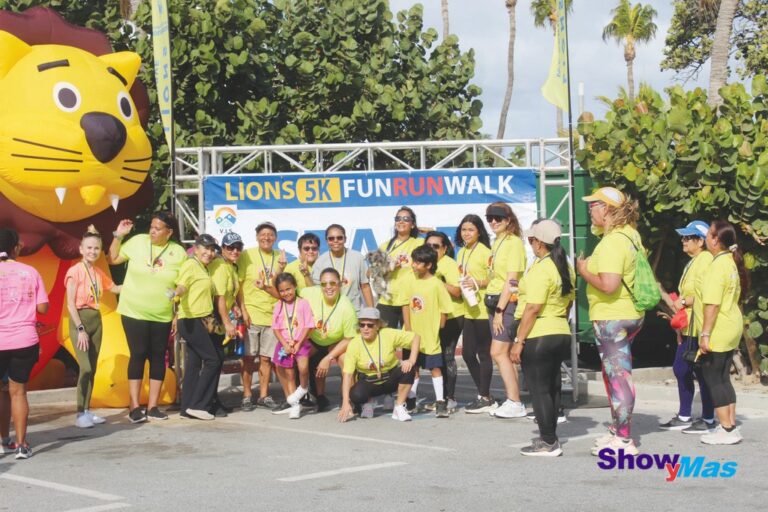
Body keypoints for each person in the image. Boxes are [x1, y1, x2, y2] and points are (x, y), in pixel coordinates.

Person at [576, 187, 646, 455]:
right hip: (628, 313)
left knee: (618, 378)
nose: (589, 210)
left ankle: (625, 440)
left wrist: (584, 271)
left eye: (593, 205)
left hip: (612, 316)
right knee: (615, 375)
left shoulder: (613, 242)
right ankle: (618, 430)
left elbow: (609, 285)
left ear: (606, 209)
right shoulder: (629, 234)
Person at [108, 212, 186, 423]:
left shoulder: (179, 252)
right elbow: (112, 259)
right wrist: (118, 235)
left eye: (158, 228)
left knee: (158, 356)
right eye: (151, 227)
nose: (152, 231)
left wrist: (178, 311)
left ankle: (153, 406)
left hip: (161, 314)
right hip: (134, 310)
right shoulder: (138, 242)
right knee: (138, 354)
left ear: (169, 232)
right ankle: (134, 406)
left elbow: (183, 283)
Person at [510, 220, 575, 457]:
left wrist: (519, 341)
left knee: (539, 390)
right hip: (560, 330)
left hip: (539, 333)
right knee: (553, 386)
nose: (530, 244)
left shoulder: (542, 268)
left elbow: (533, 308)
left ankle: (548, 441)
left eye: (531, 240)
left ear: (539, 243)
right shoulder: (565, 267)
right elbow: (569, 302)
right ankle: (550, 437)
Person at [659, 221, 716, 434]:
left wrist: (682, 302)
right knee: (681, 368)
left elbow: (705, 294)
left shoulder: (706, 260)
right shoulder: (694, 261)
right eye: (683, 237)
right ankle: (685, 415)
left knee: (700, 372)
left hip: (699, 325)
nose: (683, 241)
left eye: (688, 237)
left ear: (701, 241)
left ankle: (708, 418)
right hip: (687, 325)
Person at [695, 220, 748, 445]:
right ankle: (730, 425)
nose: (706, 237)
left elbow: (712, 304)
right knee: (723, 376)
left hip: (719, 327)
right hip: (732, 324)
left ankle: (726, 429)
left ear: (716, 240)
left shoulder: (717, 265)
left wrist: (705, 334)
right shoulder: (729, 261)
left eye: (709, 234)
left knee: (713, 377)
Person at [65, 226, 121, 428]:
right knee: (85, 368)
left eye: (96, 248)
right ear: (81, 249)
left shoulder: (97, 272)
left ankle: (87, 411)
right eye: (89, 248)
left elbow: (115, 288)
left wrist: (138, 281)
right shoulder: (75, 271)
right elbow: (70, 304)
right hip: (80, 320)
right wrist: (80, 329)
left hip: (96, 320)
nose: (93, 251)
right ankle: (80, 413)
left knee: (93, 368)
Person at [0, 228, 49, 459]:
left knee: (1, 393)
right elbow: (42, 308)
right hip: (24, 340)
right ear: (14, 248)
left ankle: (3, 442)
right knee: (18, 392)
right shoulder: (30, 272)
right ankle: (21, 445)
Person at [338, 308, 421, 422]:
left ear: (377, 325)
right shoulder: (354, 344)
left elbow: (416, 337)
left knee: (408, 370)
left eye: (370, 325)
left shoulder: (387, 334)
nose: (365, 328)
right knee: (356, 394)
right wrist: (345, 402)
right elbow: (347, 375)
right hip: (369, 382)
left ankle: (399, 407)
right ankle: (368, 402)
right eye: (362, 325)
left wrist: (411, 360)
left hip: (390, 379)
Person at [484, 202, 528, 419]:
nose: (493, 222)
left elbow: (512, 280)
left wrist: (501, 310)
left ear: (508, 220)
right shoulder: (497, 241)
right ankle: (513, 399)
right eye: (489, 218)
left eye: (498, 218)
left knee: (498, 352)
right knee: (504, 355)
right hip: (494, 300)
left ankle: (515, 402)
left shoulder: (514, 243)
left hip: (507, 302)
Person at [237, 222, 286, 411]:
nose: (266, 237)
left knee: (266, 359)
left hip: (272, 316)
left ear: (275, 238)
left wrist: (281, 269)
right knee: (248, 358)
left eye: (270, 234)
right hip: (251, 315)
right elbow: (239, 285)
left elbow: (279, 289)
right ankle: (247, 395)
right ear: (257, 237)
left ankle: (263, 395)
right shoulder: (247, 255)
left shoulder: (279, 257)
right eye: (263, 234)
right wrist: (243, 310)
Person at [172, 234, 221, 421]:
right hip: (191, 320)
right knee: (212, 360)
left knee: (193, 364)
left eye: (212, 249)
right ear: (196, 248)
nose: (209, 252)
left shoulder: (203, 267)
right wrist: (176, 292)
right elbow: (182, 286)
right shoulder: (190, 265)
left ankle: (186, 408)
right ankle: (199, 405)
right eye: (205, 248)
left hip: (200, 320)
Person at [402, 245, 453, 417]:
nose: (414, 265)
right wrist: (408, 327)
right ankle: (411, 400)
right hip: (412, 335)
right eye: (413, 261)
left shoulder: (437, 284)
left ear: (429, 265)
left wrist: (439, 327)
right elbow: (405, 305)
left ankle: (440, 402)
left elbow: (445, 308)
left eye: (418, 263)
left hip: (430, 337)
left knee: (435, 368)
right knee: (413, 368)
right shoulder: (410, 280)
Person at [302, 268, 358, 411]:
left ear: (340, 284)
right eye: (324, 284)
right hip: (315, 340)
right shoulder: (310, 292)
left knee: (346, 360)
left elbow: (349, 339)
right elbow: (286, 293)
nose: (328, 287)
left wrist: (328, 358)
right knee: (295, 356)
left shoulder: (347, 307)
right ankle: (306, 396)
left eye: (332, 283)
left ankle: (349, 400)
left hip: (336, 342)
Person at [455, 214, 494, 413]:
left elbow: (495, 278)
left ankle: (484, 396)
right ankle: (484, 393)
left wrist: (477, 282)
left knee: (484, 354)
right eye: (464, 229)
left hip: (483, 310)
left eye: (471, 229)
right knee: (468, 355)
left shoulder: (486, 251)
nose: (466, 233)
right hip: (468, 309)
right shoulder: (461, 252)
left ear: (479, 231)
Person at [424, 231, 464, 412]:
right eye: (428, 246)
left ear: (444, 248)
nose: (432, 249)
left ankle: (450, 398)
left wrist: (436, 281)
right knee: (437, 357)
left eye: (436, 246)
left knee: (447, 356)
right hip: (433, 317)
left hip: (453, 315)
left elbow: (457, 291)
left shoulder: (449, 264)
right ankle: (441, 397)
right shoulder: (425, 264)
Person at [208, 231, 244, 417]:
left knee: (217, 360)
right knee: (213, 361)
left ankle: (212, 399)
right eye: (230, 247)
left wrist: (235, 306)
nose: (235, 251)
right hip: (213, 319)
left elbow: (229, 295)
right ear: (222, 248)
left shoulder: (231, 266)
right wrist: (228, 322)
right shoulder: (221, 266)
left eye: (238, 247)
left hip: (220, 319)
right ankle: (209, 401)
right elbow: (219, 297)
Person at [271, 273, 315, 419]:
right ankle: (295, 405)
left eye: (288, 289)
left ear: (295, 286)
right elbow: (275, 328)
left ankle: (303, 388)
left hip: (300, 343)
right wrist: (285, 344)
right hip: (285, 345)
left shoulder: (303, 303)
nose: (286, 293)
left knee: (303, 369)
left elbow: (308, 325)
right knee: (289, 374)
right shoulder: (278, 305)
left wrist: (299, 343)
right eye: (282, 291)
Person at [376, 207, 424, 328]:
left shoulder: (418, 243)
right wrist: (388, 268)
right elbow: (371, 272)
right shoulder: (385, 246)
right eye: (398, 218)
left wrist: (428, 230)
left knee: (410, 337)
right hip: (388, 300)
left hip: (410, 299)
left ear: (413, 224)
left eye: (406, 219)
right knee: (384, 338)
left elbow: (445, 245)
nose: (401, 221)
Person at [313, 225, 374, 313]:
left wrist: (372, 312)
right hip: (330, 312)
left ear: (345, 239)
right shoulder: (320, 262)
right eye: (331, 238)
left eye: (339, 238)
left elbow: (365, 286)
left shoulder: (358, 257)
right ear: (326, 241)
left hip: (354, 311)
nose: (335, 241)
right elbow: (317, 291)